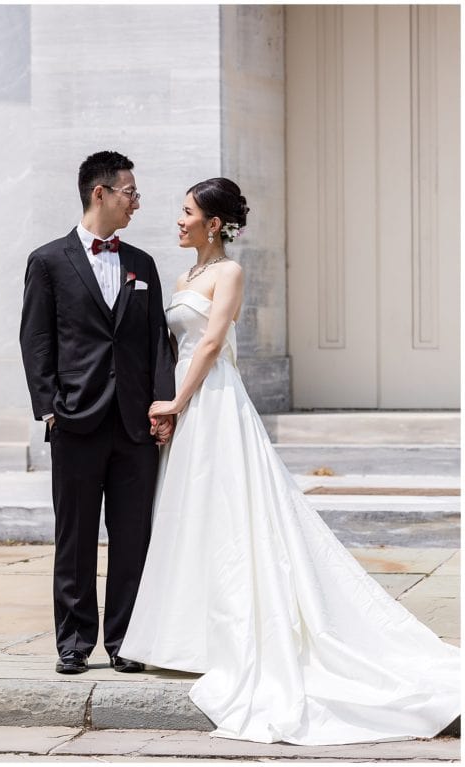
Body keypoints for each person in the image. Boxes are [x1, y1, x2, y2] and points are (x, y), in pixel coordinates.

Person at [118, 177, 460, 744]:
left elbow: (210, 343)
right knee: (188, 512)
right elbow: (172, 347)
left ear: (213, 223)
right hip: (183, 399)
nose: (177, 221)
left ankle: (238, 632)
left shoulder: (229, 272)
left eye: (186, 213)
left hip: (214, 399)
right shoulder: (183, 276)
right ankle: (183, 636)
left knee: (229, 510)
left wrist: (178, 401)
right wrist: (167, 404)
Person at [19, 151, 176, 676]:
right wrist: (49, 410)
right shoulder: (48, 261)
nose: (137, 202)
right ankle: (74, 640)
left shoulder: (143, 264)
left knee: (133, 538)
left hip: (135, 425)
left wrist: (162, 405)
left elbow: (158, 341)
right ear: (100, 193)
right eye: (130, 192)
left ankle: (127, 639)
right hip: (75, 420)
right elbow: (36, 339)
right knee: (76, 537)